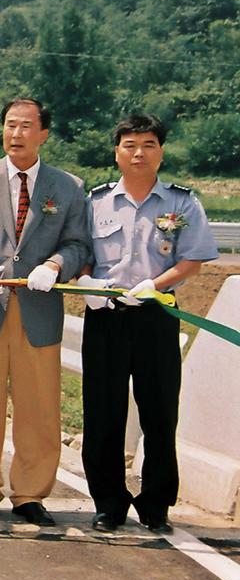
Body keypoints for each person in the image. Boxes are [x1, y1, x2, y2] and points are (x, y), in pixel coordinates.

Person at [78, 114, 218, 533]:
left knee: (159, 411)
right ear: (117, 151)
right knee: (103, 411)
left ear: (161, 150)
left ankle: (156, 504)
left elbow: (191, 261)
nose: (139, 153)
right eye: (130, 145)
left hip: (156, 313)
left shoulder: (182, 202)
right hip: (105, 316)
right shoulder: (96, 201)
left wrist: (152, 284)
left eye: (149, 144)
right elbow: (82, 251)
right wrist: (87, 283)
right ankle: (108, 503)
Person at [0, 98, 90, 527]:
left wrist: (55, 266)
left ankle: (31, 492)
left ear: (43, 133)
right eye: (10, 125)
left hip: (38, 308)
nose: (17, 134)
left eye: (26, 126)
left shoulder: (68, 186)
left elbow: (78, 244)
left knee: (39, 405)